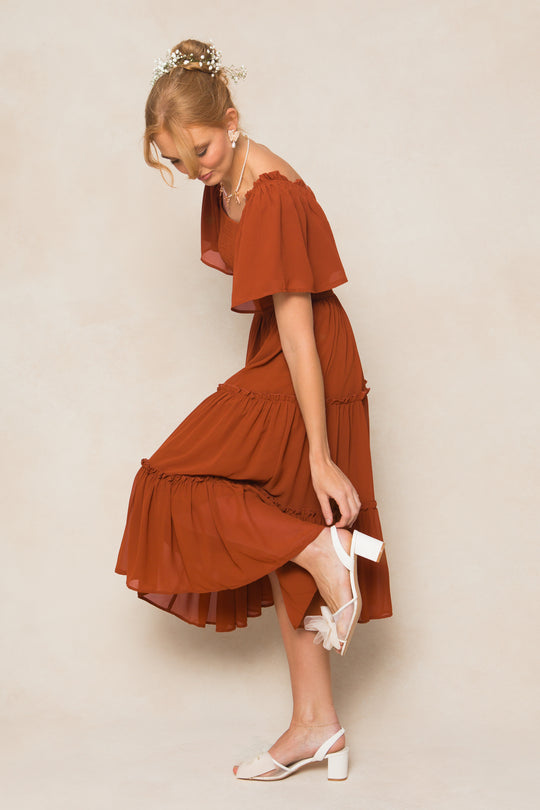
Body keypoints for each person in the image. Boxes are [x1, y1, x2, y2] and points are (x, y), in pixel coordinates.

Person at [115, 38, 392, 781]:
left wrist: (320, 451)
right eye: (176, 162)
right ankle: (317, 726)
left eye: (199, 150)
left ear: (231, 121)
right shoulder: (226, 178)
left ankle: (320, 552)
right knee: (280, 519)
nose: (192, 169)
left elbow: (300, 333)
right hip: (286, 351)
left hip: (308, 357)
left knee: (171, 480)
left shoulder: (266, 189)